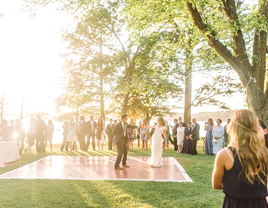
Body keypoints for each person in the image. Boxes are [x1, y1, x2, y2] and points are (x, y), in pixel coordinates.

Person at [212, 109, 268, 207]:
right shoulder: (265, 153)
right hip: (260, 204)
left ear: (233, 126)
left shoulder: (225, 154)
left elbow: (216, 184)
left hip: (235, 204)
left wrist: (235, 186)